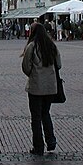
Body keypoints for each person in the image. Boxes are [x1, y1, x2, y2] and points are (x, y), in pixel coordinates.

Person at [21, 22, 61, 155]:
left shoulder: (32, 46)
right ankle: (51, 141)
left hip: (36, 87)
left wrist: (33, 74)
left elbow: (26, 66)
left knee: (36, 117)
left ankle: (38, 147)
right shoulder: (52, 46)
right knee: (46, 113)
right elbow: (59, 65)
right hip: (50, 86)